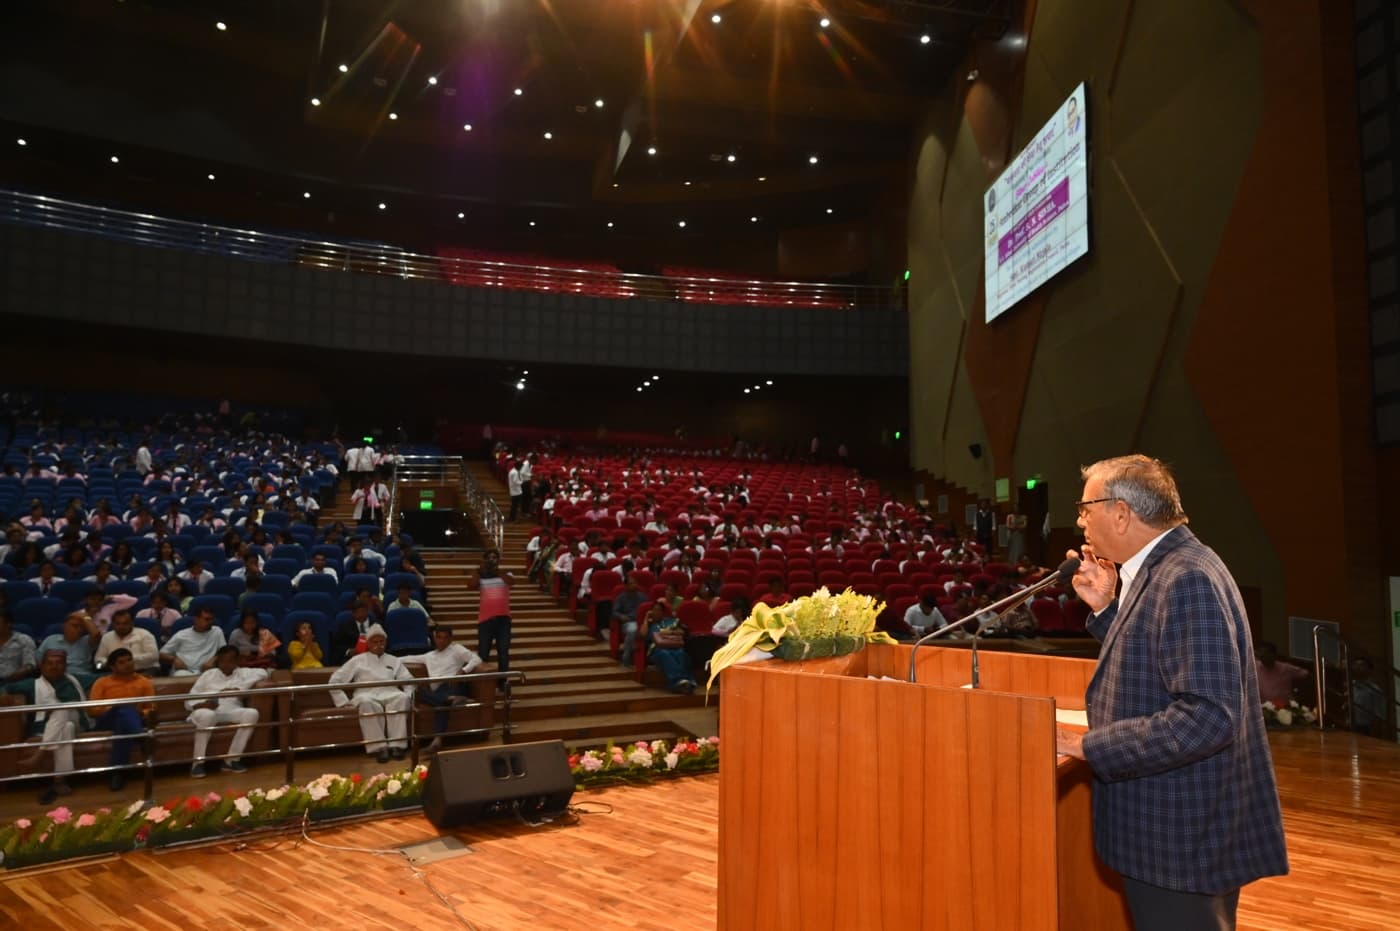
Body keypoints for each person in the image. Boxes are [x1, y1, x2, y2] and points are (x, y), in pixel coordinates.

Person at [1055, 455, 1287, 930]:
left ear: (1120, 513)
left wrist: (1087, 744)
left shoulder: (1187, 578)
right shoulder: (1167, 566)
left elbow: (1207, 716)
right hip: (1179, 828)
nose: (1079, 520)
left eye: (1085, 509)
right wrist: (1105, 610)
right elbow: (1162, 660)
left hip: (1181, 836)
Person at [5, 649, 87, 803]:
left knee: (62, 710)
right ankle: (59, 780)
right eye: (49, 663)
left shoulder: (74, 680)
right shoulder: (31, 684)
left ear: (65, 666)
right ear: (41, 666)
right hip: (47, 728)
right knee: (66, 725)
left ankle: (39, 755)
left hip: (78, 722)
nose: (54, 666)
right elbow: (5, 688)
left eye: (59, 663)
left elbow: (101, 676)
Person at [328, 625, 415, 763]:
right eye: (375, 642)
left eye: (381, 642)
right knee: (367, 703)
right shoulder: (358, 660)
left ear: (386, 643)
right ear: (368, 643)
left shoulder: (394, 660)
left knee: (402, 698)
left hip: (390, 692)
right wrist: (343, 702)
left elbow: (408, 680)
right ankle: (379, 748)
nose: (378, 645)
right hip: (366, 693)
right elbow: (335, 680)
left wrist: (410, 696)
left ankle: (397, 745)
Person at [184, 645, 266, 777]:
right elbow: (189, 699)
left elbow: (263, 673)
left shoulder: (243, 673)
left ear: (237, 661)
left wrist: (239, 688)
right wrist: (201, 704)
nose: (225, 664)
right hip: (205, 711)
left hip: (231, 710)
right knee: (208, 715)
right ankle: (198, 763)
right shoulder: (208, 675)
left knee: (252, 713)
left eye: (229, 661)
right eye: (222, 661)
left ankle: (232, 760)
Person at [401, 626, 484, 753]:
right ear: (434, 638)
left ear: (451, 639)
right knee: (418, 693)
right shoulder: (428, 656)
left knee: (441, 699)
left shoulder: (456, 649)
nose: (442, 641)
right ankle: (438, 739)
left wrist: (463, 671)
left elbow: (476, 659)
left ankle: (449, 701)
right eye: (439, 637)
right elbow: (405, 658)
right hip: (439, 691)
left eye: (445, 638)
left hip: (454, 685)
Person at [87, 647, 155, 790]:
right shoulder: (102, 683)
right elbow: (92, 710)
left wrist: (141, 712)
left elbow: (152, 708)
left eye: (130, 660)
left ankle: (117, 774)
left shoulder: (144, 682)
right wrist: (115, 708)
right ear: (112, 667)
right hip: (105, 720)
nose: (128, 664)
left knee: (123, 724)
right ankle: (141, 737)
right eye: (122, 662)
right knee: (123, 708)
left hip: (133, 720)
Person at [470, 548, 513, 687]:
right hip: (485, 620)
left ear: (498, 560)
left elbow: (512, 582)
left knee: (503, 653)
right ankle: (482, 685)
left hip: (503, 620)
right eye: (489, 558)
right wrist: (479, 571)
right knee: (483, 653)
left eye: (495, 557)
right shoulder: (481, 575)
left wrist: (496, 570)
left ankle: (502, 683)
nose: (492, 560)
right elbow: (470, 586)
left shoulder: (505, 573)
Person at [39, 611, 102, 689]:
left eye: (82, 627)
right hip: (57, 677)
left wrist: (85, 617)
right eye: (75, 626)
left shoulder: (87, 640)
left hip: (83, 678)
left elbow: (96, 634)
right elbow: (39, 662)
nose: (78, 629)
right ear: (64, 626)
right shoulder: (50, 640)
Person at [159, 608, 227, 677]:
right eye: (207, 619)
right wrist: (174, 659)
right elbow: (161, 654)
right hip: (184, 671)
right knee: (180, 675)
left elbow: (225, 652)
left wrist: (214, 659)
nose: (210, 622)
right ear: (196, 619)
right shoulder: (181, 635)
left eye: (212, 619)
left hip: (207, 671)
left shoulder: (217, 631)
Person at [95, 609, 160, 674]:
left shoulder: (144, 635)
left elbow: (154, 656)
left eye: (125, 623)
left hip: (143, 670)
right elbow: (98, 659)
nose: (121, 627)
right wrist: (109, 663)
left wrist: (127, 660)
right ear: (113, 624)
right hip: (115, 672)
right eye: (118, 623)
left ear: (132, 623)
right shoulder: (107, 637)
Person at [1254, 641, 1309, 708]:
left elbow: (1306, 674)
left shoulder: (1286, 668)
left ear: (1274, 655)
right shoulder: (1254, 667)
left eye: (1267, 653)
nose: (1263, 655)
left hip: (1285, 709)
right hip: (1263, 708)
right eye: (1261, 652)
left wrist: (1298, 694)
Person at [332, 600, 374, 665]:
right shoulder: (344, 627)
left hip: (373, 657)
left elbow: (385, 643)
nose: (360, 615)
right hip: (352, 659)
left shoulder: (376, 625)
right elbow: (337, 646)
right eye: (357, 612)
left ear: (367, 611)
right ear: (353, 613)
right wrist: (348, 651)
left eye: (363, 611)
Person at [0, 612, 38, 682]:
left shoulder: (24, 640)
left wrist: (17, 674)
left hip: (15, 681)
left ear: (8, 624)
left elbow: (30, 665)